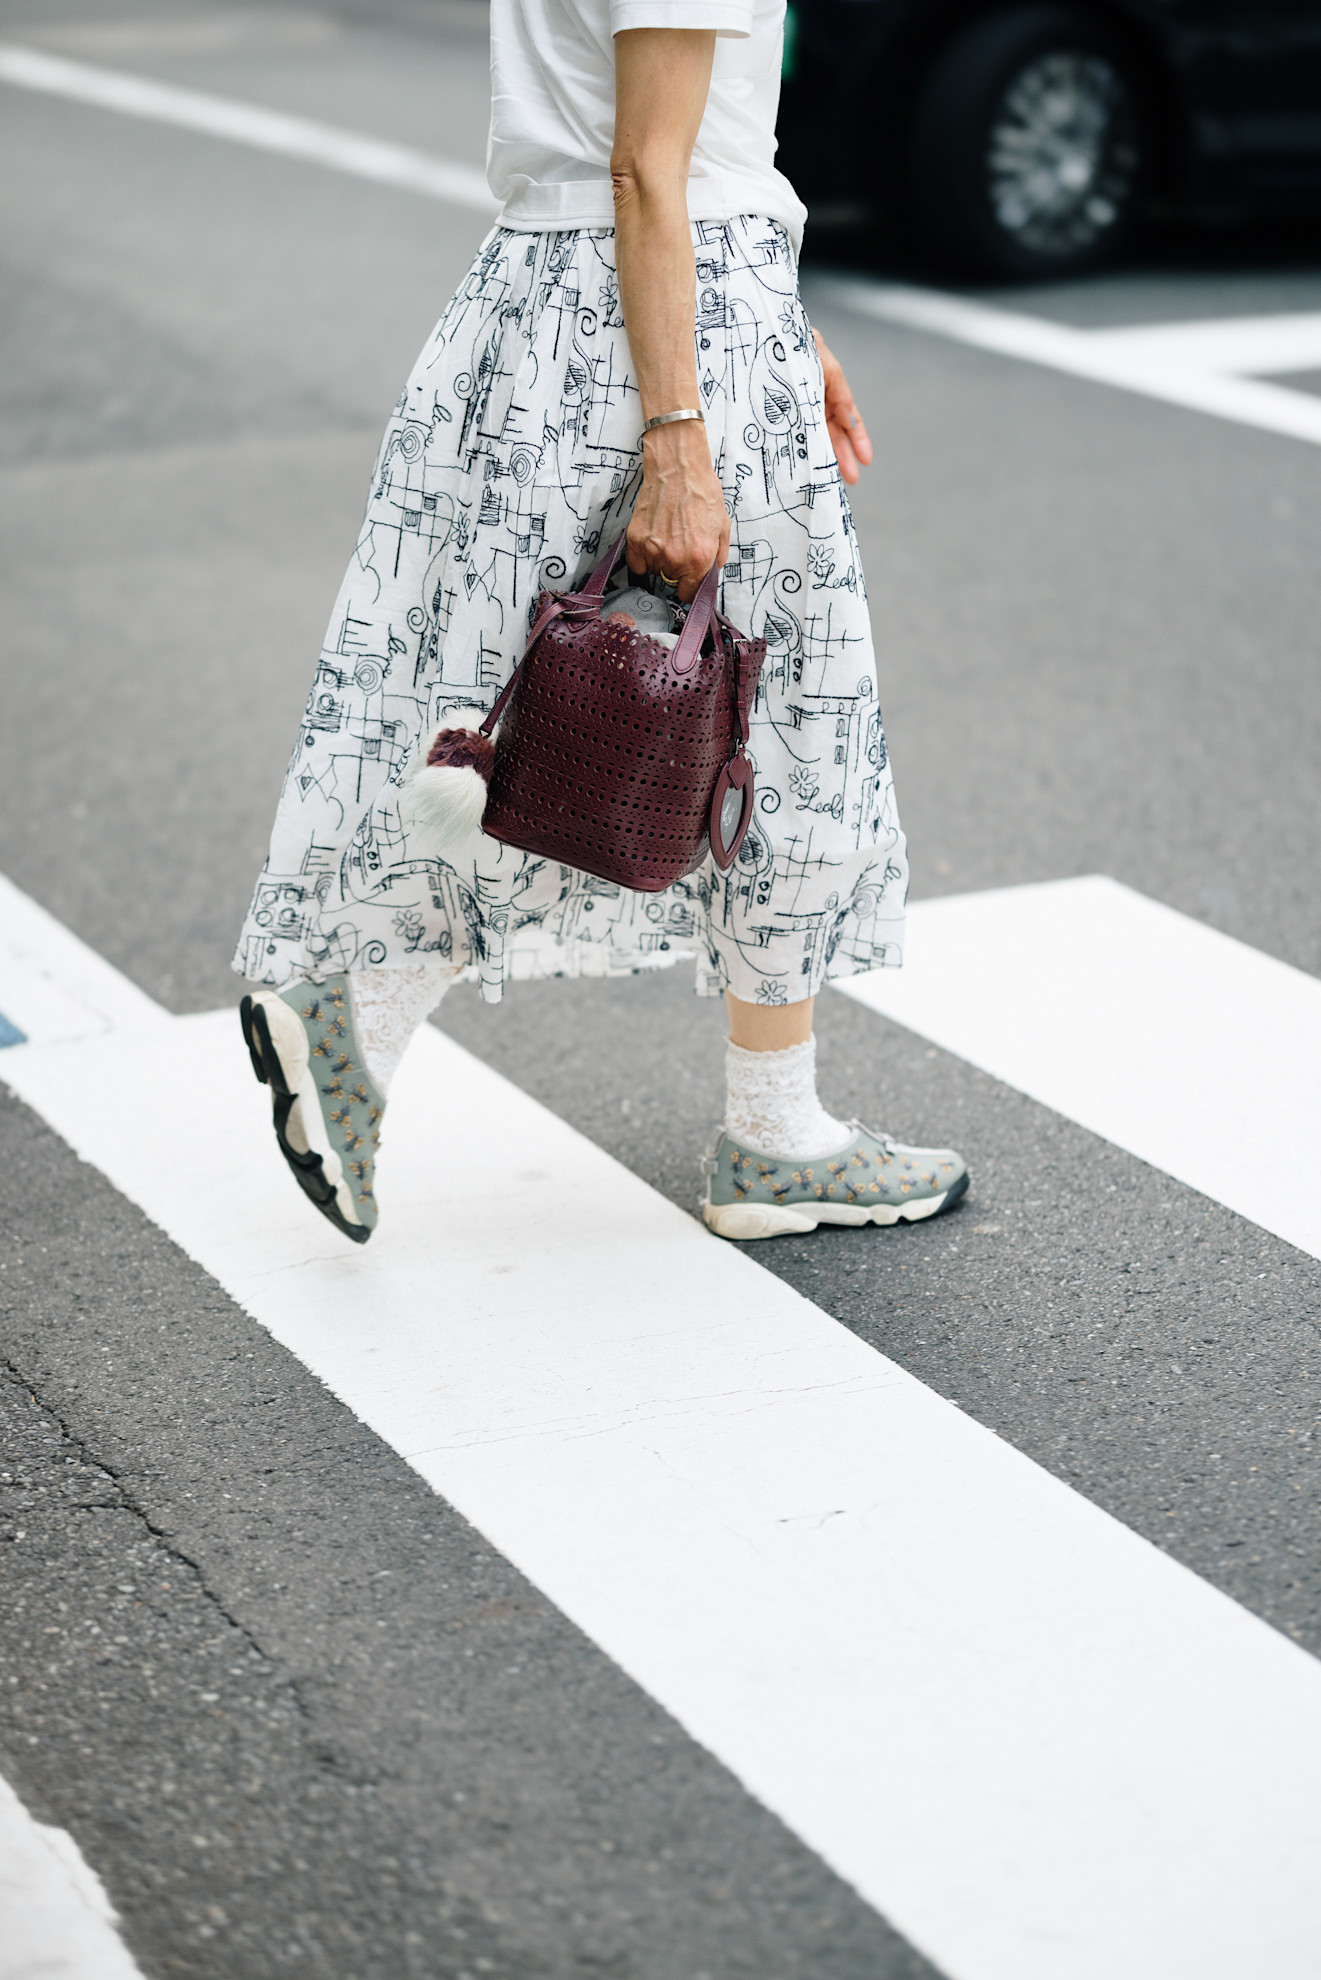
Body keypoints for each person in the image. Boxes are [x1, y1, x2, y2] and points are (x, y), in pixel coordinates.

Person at [234, 0, 968, 1244]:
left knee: (545, 718)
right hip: (656, 337)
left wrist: (791, 324)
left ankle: (364, 1014)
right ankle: (774, 1135)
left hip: (572, 306)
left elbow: (667, 150)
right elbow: (645, 163)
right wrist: (684, 437)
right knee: (764, 733)